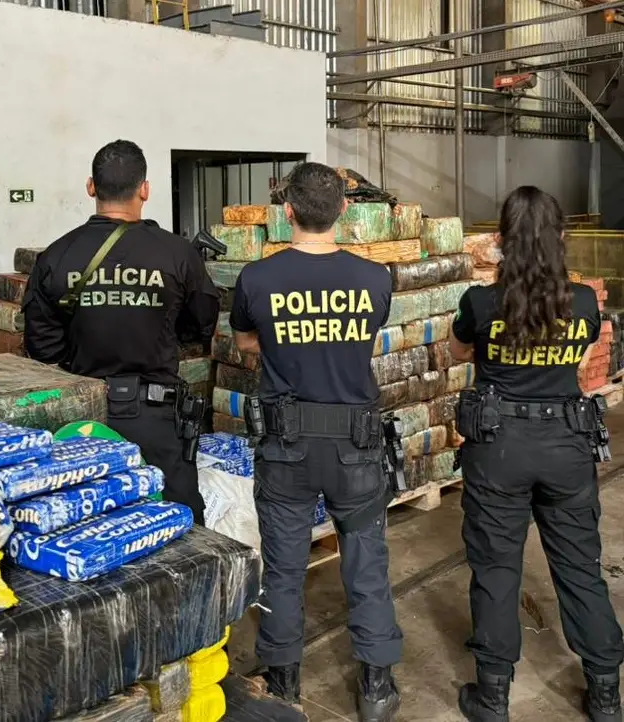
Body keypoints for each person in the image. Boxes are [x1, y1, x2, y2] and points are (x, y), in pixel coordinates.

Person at [230, 162, 402, 721]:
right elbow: (362, 339)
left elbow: (245, 341)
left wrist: (286, 342)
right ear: (344, 211)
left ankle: (283, 684)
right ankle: (376, 687)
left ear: (287, 213)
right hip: (356, 446)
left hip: (287, 446)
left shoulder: (257, 279)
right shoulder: (375, 279)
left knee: (283, 569)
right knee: (366, 562)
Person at [450, 186, 623, 722]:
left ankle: (493, 696)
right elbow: (579, 356)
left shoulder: (481, 303)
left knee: (496, 569)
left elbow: (458, 349)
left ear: (501, 240)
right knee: (579, 567)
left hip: (498, 447)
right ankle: (606, 692)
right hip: (566, 445)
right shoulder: (584, 303)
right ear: (560, 238)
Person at [22, 139, 218, 524]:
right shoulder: (177, 253)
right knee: (177, 523)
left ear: (91, 187)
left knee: (89, 523)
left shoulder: (57, 256)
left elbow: (42, 348)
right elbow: (201, 326)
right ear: (144, 189)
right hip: (157, 418)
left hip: (84, 420)